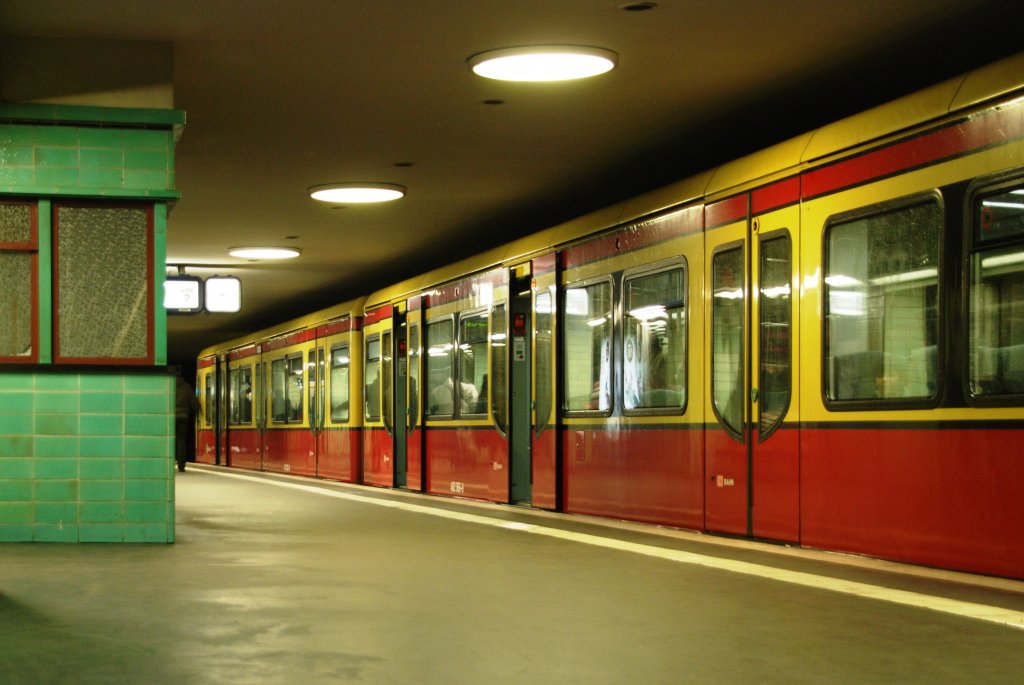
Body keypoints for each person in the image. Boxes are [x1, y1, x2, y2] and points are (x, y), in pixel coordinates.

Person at [175, 369, 201, 472]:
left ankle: (167, 461)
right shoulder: (186, 387)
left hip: (170, 417)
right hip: (183, 417)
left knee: (169, 440)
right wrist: (199, 410)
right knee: (181, 440)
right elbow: (194, 403)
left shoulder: (169, 386)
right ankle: (181, 464)